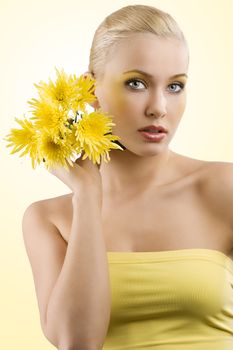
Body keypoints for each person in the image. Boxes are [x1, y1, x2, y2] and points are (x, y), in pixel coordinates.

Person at [22, 4, 233, 350]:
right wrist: (87, 197)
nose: (159, 107)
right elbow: (77, 343)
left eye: (175, 86)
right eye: (137, 83)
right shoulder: (49, 219)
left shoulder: (222, 189)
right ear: (90, 90)